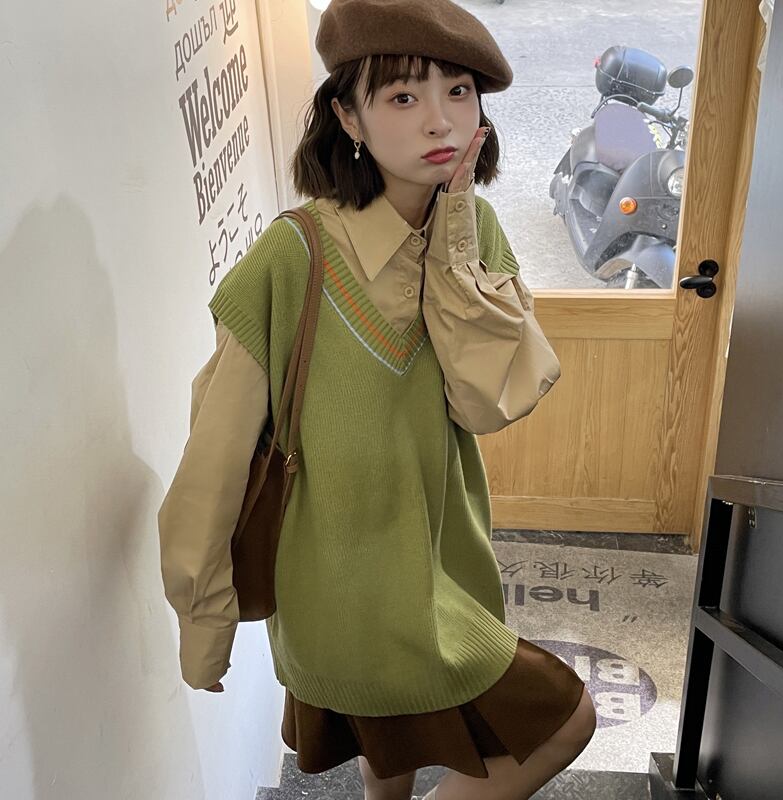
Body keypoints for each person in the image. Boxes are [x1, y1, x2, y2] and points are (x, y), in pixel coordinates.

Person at [157, 1, 597, 798]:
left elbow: (487, 402)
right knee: (568, 719)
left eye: (458, 91)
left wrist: (454, 243)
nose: (439, 119)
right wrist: (205, 622)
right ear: (347, 117)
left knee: (390, 758)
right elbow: (214, 456)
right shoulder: (294, 256)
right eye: (401, 96)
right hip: (345, 590)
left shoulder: (474, 230)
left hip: (444, 563)